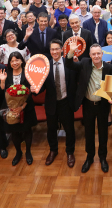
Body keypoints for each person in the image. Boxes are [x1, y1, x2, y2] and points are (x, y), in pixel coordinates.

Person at [65, 43, 112, 173]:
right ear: (90, 55)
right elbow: (69, 65)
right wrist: (71, 52)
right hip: (88, 104)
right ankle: (89, 157)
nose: (96, 56)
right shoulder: (84, 63)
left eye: (98, 53)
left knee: (103, 133)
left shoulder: (108, 67)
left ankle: (103, 158)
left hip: (102, 105)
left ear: (102, 54)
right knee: (89, 133)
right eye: (93, 54)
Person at [37, 39, 78, 168]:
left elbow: (77, 80)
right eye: (52, 49)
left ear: (61, 50)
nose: (54, 51)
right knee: (51, 129)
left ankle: (70, 152)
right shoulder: (45, 66)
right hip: (51, 103)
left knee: (69, 129)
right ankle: (53, 150)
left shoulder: (70, 63)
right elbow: (42, 86)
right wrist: (35, 88)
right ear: (50, 51)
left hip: (67, 102)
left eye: (56, 49)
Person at [4, 51, 37, 166]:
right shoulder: (6, 73)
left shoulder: (28, 72)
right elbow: (4, 91)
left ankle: (28, 152)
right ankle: (18, 152)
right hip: (12, 109)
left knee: (27, 130)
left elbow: (31, 91)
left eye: (17, 60)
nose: (15, 63)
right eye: (12, 61)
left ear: (22, 61)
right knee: (14, 132)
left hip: (26, 107)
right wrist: (13, 107)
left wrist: (22, 106)